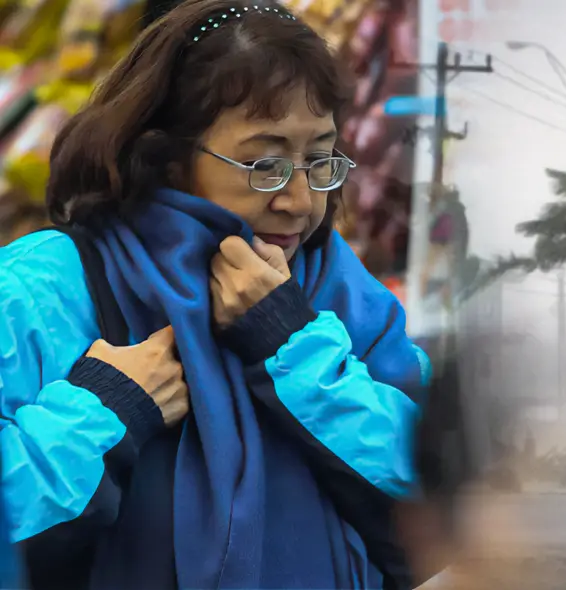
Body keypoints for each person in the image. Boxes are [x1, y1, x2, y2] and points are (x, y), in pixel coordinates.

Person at [0, 1, 434, 588]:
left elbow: (441, 505)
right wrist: (106, 410)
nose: (301, 201)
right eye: (265, 163)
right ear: (169, 158)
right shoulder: (47, 285)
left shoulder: (334, 285)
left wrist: (296, 350)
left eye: (319, 160)